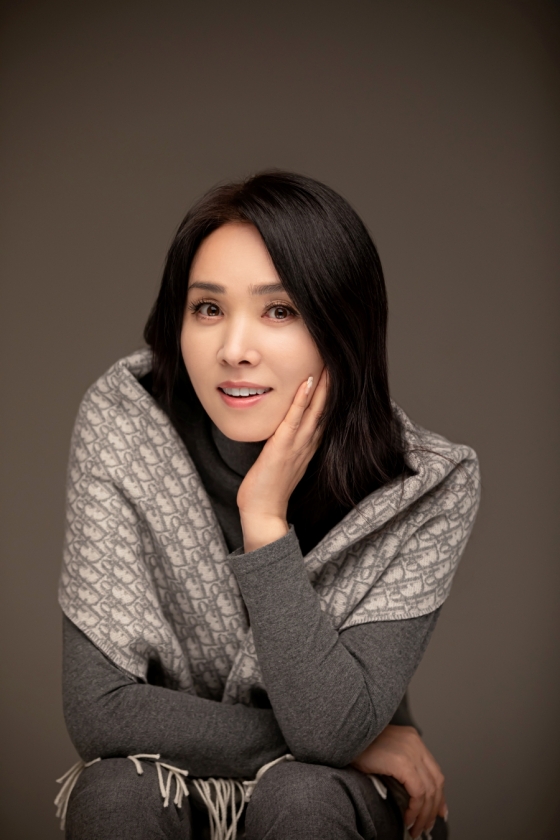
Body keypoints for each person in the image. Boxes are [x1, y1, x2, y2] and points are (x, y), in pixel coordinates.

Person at [56, 171, 480, 840]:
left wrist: (264, 523)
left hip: (333, 796)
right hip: (180, 776)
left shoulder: (423, 485)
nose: (234, 351)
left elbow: (328, 733)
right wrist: (361, 740)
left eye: (279, 311)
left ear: (341, 325)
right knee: (114, 793)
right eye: (208, 308)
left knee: (302, 793)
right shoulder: (127, 421)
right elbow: (101, 712)